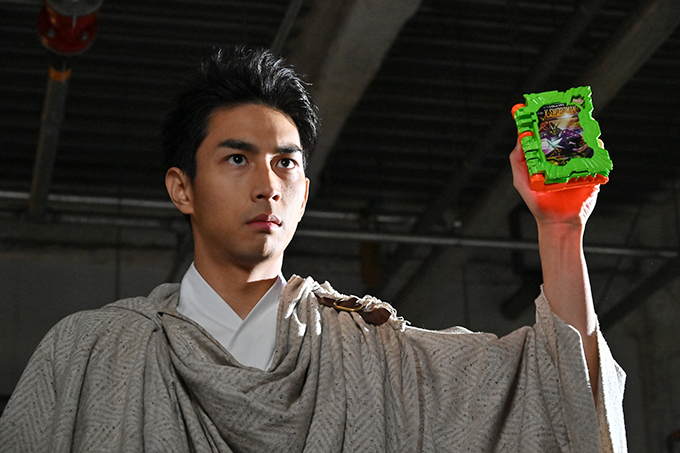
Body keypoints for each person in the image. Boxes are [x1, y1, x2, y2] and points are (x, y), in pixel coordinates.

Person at [0, 46, 626, 452]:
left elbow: (558, 391)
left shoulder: (375, 355)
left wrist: (560, 231)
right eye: (237, 158)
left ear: (304, 192)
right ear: (181, 188)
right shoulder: (89, 353)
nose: (267, 184)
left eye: (286, 163)